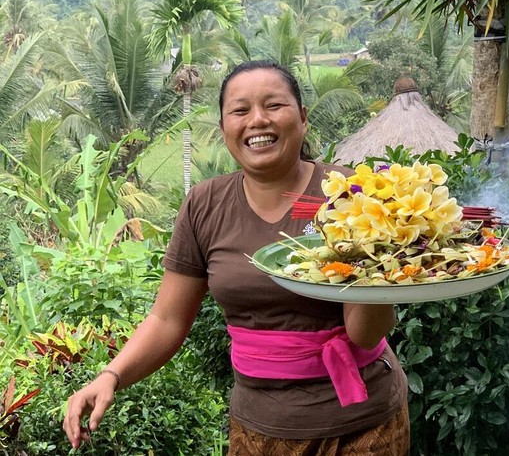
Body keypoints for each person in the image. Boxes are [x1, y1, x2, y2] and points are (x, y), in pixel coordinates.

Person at [63, 60, 410, 455]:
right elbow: (167, 318)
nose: (258, 120)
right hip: (257, 428)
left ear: (303, 118)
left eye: (274, 106)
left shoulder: (351, 196)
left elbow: (365, 333)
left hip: (362, 427)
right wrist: (111, 375)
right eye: (240, 110)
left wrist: (376, 262)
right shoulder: (204, 204)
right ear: (225, 126)